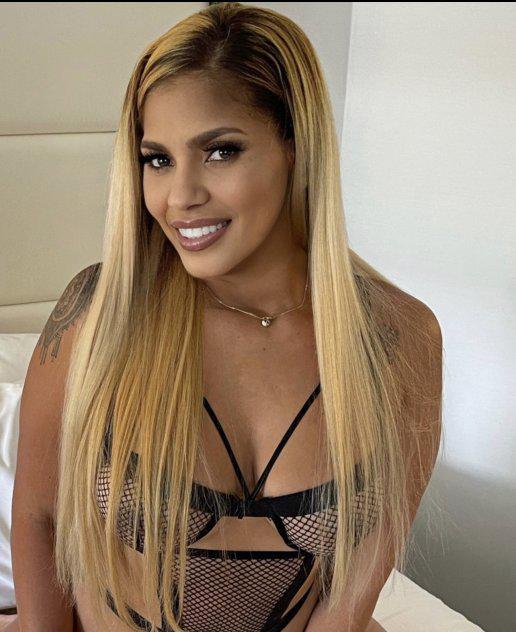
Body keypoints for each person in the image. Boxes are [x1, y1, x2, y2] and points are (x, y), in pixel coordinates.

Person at [10, 3, 442, 631]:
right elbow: (39, 517)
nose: (179, 196)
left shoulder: (399, 338)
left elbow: (361, 573)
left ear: (295, 147)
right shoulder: (100, 313)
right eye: (157, 159)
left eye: (220, 151)